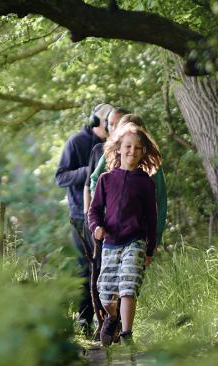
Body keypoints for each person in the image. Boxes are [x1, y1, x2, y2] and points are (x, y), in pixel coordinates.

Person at [88, 121, 162, 346]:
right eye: (128, 146)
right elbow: (94, 210)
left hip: (135, 241)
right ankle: (112, 318)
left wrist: (149, 249)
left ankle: (127, 335)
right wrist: (96, 227)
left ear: (143, 153)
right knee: (106, 292)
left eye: (137, 148)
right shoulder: (106, 179)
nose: (132, 151)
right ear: (118, 149)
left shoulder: (145, 183)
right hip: (110, 242)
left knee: (128, 286)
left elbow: (152, 218)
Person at [55, 103, 113, 335]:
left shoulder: (114, 144)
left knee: (105, 268)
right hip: (81, 215)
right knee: (86, 268)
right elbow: (60, 177)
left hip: (109, 217)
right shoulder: (76, 142)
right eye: (108, 121)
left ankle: (108, 322)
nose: (112, 126)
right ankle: (84, 320)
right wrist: (87, 171)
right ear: (97, 122)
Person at [90, 114, 167, 246]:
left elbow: (160, 200)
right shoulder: (110, 155)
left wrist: (155, 238)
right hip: (110, 232)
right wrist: (101, 218)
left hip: (137, 236)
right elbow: (95, 181)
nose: (132, 149)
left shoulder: (153, 165)